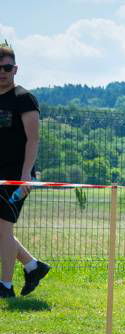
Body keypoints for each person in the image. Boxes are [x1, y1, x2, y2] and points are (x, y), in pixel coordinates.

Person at [0, 42, 50, 299]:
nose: (2, 72)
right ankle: (32, 266)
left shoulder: (23, 98)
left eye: (7, 67)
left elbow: (34, 139)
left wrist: (25, 176)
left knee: (3, 229)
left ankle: (5, 287)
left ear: (15, 69)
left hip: (16, 178)